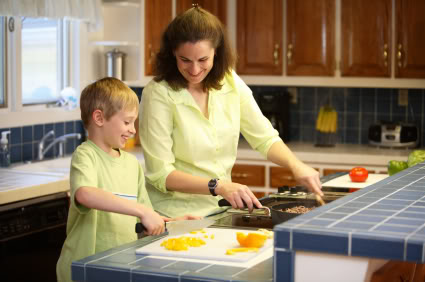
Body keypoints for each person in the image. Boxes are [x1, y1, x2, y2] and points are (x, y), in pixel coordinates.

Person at [139, 6, 322, 218]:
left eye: (203, 60)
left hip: (220, 211)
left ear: (216, 52)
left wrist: (296, 165)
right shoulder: (158, 94)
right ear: (173, 54)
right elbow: (161, 174)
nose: (195, 70)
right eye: (185, 60)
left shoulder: (229, 81)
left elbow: (264, 138)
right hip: (174, 216)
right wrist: (219, 186)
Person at [56, 77, 198, 282]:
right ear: (99, 118)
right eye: (126, 121)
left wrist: (175, 223)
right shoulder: (86, 155)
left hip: (119, 267)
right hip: (85, 270)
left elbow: (146, 218)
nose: (133, 129)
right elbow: (85, 194)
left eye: (133, 122)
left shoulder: (132, 165)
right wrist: (143, 211)